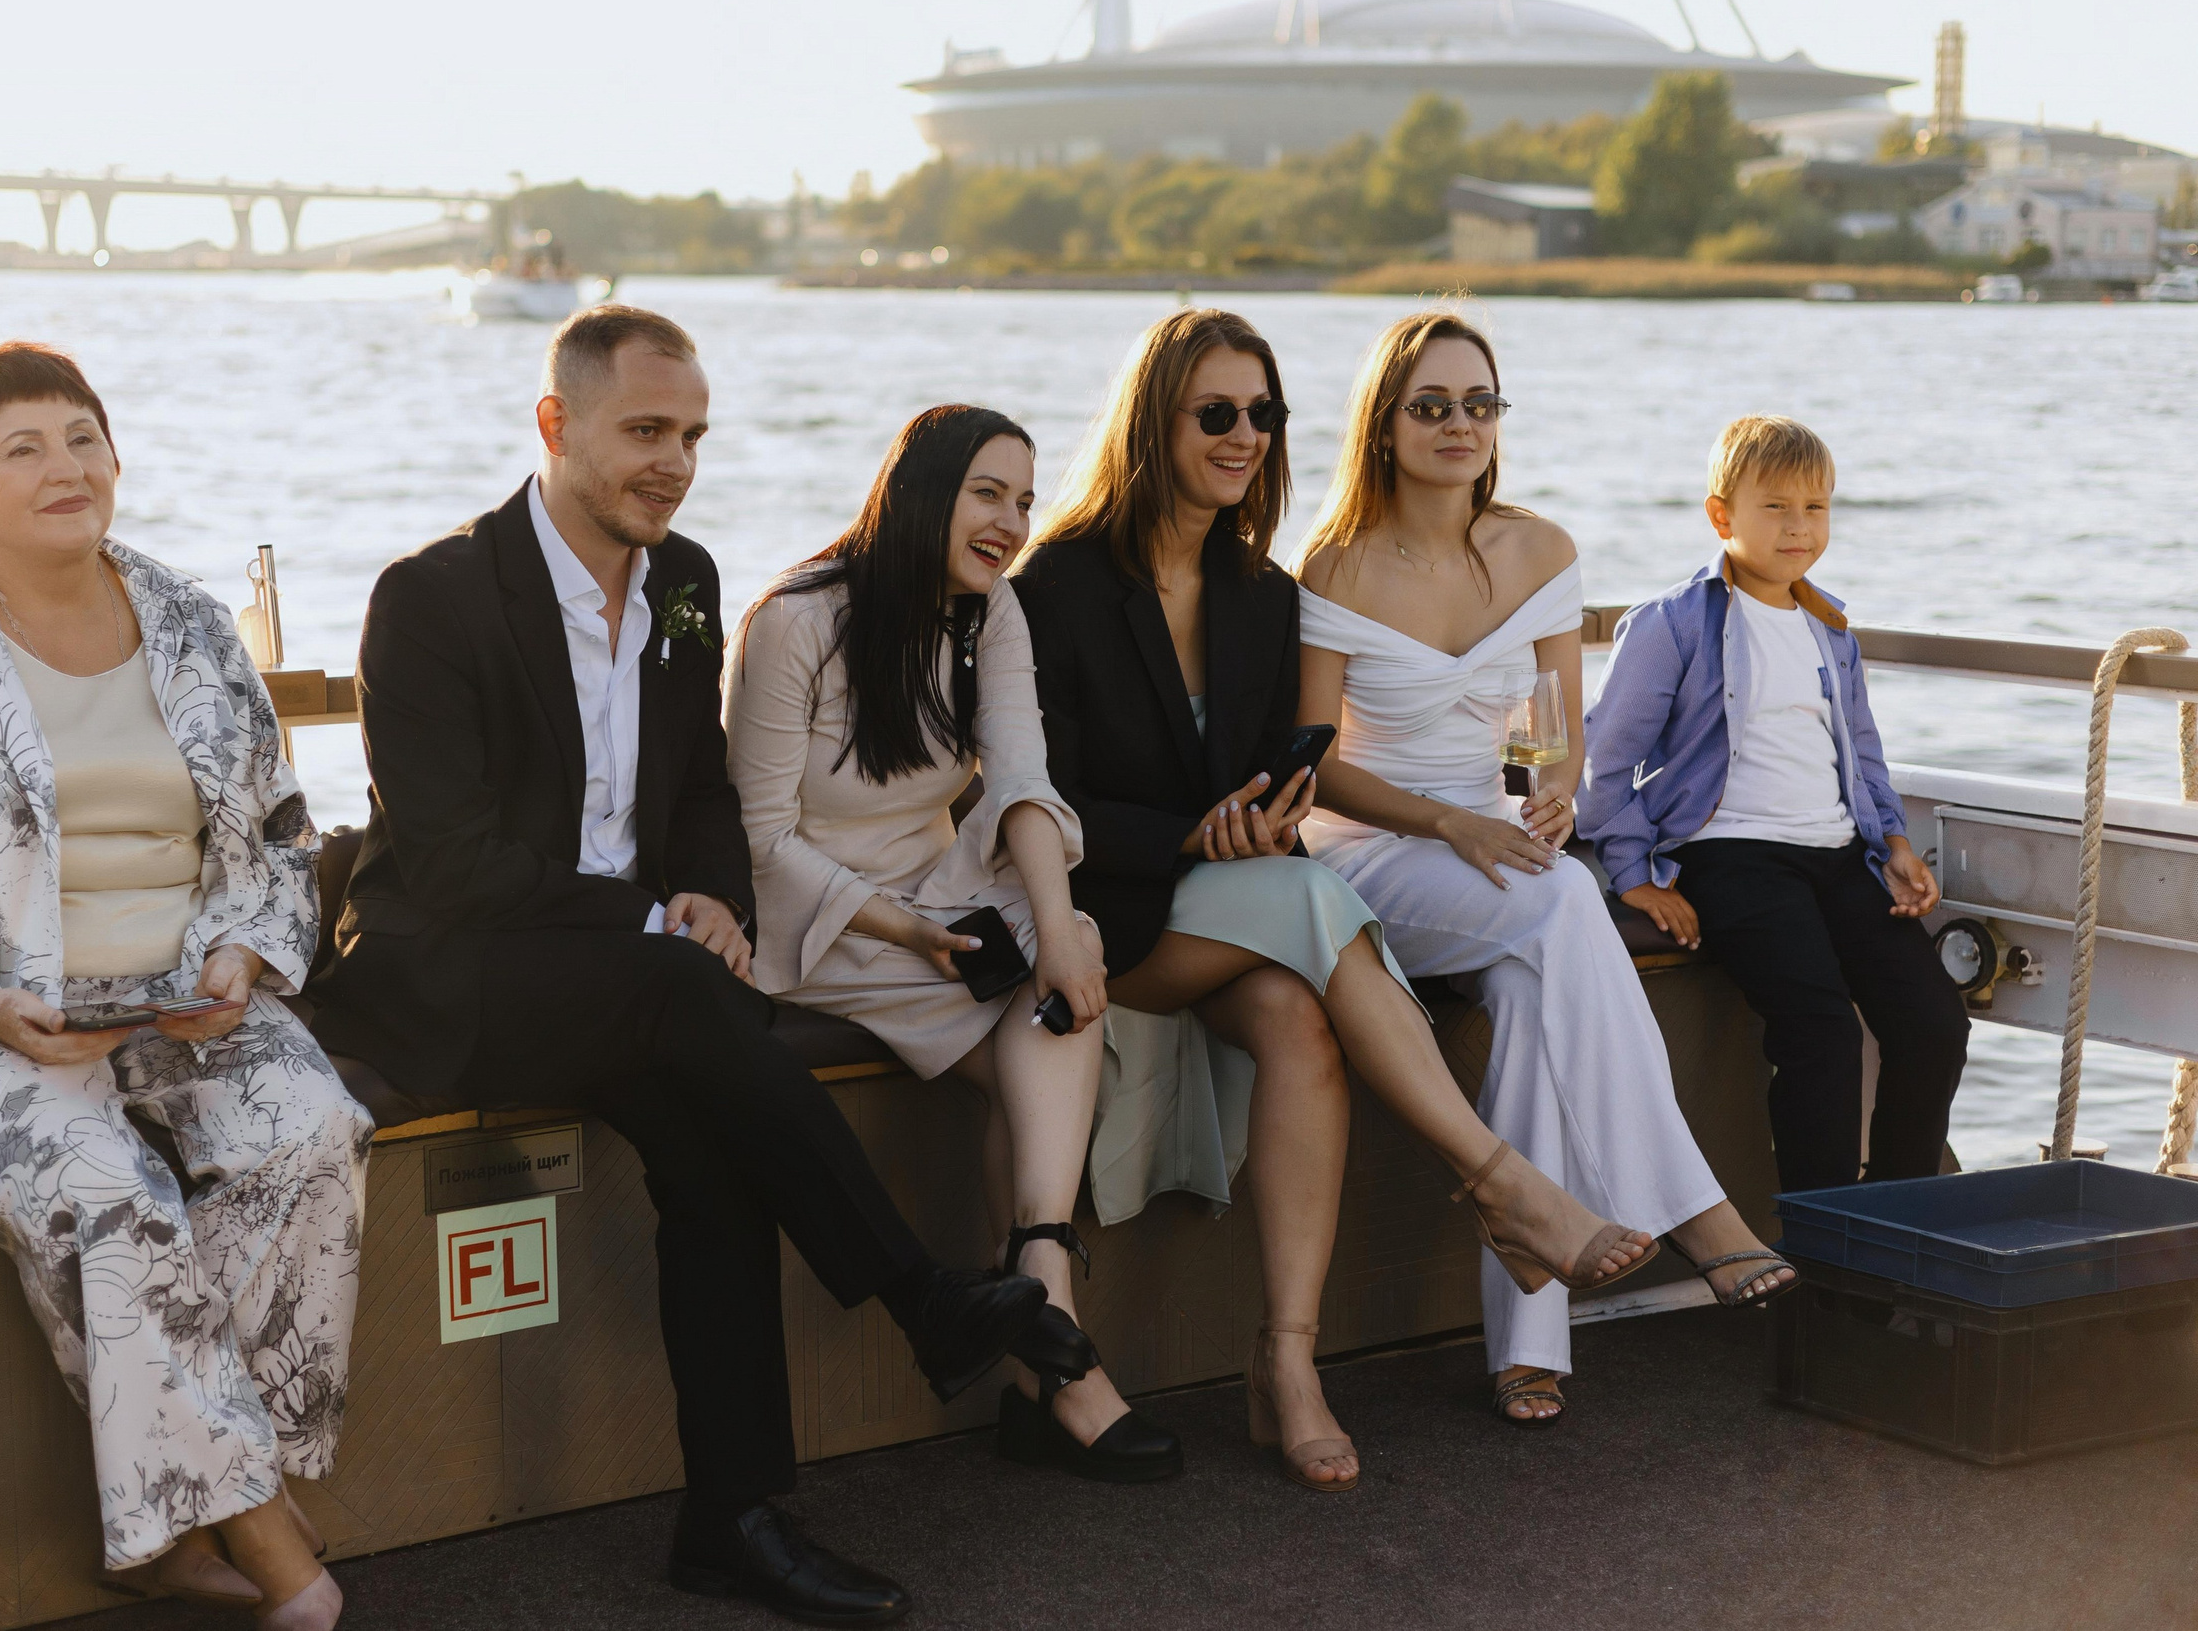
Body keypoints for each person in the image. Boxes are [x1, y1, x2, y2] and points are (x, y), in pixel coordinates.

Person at [308, 305, 1050, 1627]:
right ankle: (919, 1292)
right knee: (692, 1000)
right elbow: (456, 860)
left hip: (628, 985)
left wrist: (704, 890)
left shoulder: (688, 577)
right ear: (557, 425)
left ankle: (736, 1516)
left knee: (714, 1144)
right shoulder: (432, 598)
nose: (674, 460)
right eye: (646, 430)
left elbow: (703, 790)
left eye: (693, 434)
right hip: (455, 974)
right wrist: (663, 923)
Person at [1013, 307, 1659, 1490]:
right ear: (1154, 422)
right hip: (1101, 920)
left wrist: (1254, 814)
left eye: (1263, 414)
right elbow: (1033, 798)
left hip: (1230, 903)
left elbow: (1284, 765)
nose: (1245, 434)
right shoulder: (1054, 582)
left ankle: (1287, 1363)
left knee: (1302, 1018)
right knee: (1314, 901)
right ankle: (1500, 1182)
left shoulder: (1258, 591)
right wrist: (1196, 836)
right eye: (1217, 412)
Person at [0, 343, 364, 1628]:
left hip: (172, 988)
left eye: (83, 438)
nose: (67, 467)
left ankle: (197, 1507)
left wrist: (242, 952)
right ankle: (276, 1553)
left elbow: (276, 831)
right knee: (101, 1180)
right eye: (24, 449)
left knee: (313, 1131)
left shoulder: (189, 620)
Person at [1290, 310, 1799, 1430]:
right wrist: (1450, 825)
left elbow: (1550, 725)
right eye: (1431, 406)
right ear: (1384, 424)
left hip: (1503, 852)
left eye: (1479, 404)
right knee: (1561, 899)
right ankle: (1698, 1210)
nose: (1459, 424)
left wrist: (1546, 795)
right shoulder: (1333, 566)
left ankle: (1527, 1344)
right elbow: (1314, 770)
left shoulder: (1540, 550)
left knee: (1530, 986)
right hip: (1375, 856)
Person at [725, 404, 1180, 1484]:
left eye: (1024, 500)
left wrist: (1062, 925)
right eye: (988, 493)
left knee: (1062, 956)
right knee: (1032, 1046)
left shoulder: (993, 613)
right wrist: (911, 931)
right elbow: (758, 838)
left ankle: (1035, 1281)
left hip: (934, 890)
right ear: (922, 489)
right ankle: (1062, 1364)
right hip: (816, 913)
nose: (1012, 521)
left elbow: (1021, 782)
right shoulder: (795, 620)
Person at [1581, 415, 1967, 1195]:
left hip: (1836, 855)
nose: (1799, 527)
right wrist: (1634, 876)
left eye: (1815, 507)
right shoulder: (1672, 624)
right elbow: (1604, 761)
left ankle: (1897, 1220)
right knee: (1821, 1034)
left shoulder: (1831, 631)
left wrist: (1893, 842)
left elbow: (1861, 750)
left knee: (1934, 1024)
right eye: (1777, 507)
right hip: (1733, 856)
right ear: (1722, 516)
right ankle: (1823, 1251)